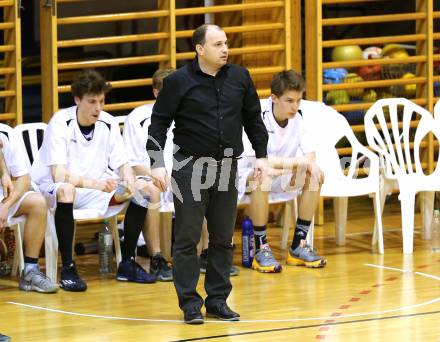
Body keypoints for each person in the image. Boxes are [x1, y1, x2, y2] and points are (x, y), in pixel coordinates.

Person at [147, 24, 268, 324]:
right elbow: (158, 124)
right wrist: (156, 163)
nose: (225, 49)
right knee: (187, 239)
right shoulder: (178, 82)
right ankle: (189, 303)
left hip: (227, 166)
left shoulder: (240, 77)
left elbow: (253, 119)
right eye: (217, 44)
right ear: (200, 49)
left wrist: (262, 157)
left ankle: (217, 300)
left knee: (223, 238)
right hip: (189, 167)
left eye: (226, 43)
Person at [31, 69, 156, 292]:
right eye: (92, 102)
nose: (98, 108)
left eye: (101, 101)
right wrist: (95, 184)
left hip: (95, 189)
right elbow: (58, 174)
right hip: (54, 189)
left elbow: (122, 163)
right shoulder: (60, 121)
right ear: (77, 100)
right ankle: (68, 267)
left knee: (143, 189)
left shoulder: (107, 122)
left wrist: (128, 177)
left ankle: (126, 263)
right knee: (66, 189)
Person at [245, 70, 326, 273]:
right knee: (261, 176)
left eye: (299, 100)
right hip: (247, 176)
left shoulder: (298, 118)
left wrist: (304, 165)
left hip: (279, 174)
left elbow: (310, 156)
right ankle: (261, 248)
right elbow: (261, 160)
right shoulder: (257, 116)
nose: (295, 106)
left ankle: (298, 245)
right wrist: (298, 163)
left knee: (314, 176)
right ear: (274, 98)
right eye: (289, 101)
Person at [123, 68, 175, 281]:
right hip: (147, 177)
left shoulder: (190, 114)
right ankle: (156, 257)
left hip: (180, 177)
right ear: (156, 93)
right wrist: (160, 176)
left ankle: (207, 253)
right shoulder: (138, 117)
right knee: (150, 190)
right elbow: (133, 163)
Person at [0, 131, 58, 293]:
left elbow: (24, 179)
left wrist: (6, 205)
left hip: (4, 199)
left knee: (38, 203)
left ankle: (30, 272)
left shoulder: (5, 134)